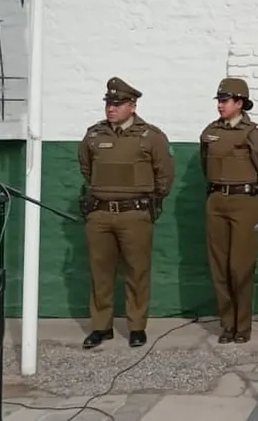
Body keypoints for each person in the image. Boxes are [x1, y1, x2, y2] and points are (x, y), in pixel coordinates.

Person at [77, 77, 175, 349]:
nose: (111, 109)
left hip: (135, 214)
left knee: (137, 271)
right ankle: (101, 327)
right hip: (100, 214)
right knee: (100, 272)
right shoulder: (94, 135)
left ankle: (136, 327)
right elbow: (86, 168)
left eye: (118, 104)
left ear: (132, 106)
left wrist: (149, 201)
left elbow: (164, 174)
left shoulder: (151, 136)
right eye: (109, 103)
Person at [200, 77, 258, 344]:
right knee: (219, 265)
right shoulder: (210, 132)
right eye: (219, 101)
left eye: (225, 101)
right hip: (216, 200)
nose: (220, 105)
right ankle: (227, 324)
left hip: (245, 202)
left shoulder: (254, 133)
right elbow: (204, 165)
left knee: (240, 266)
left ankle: (242, 326)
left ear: (239, 103)